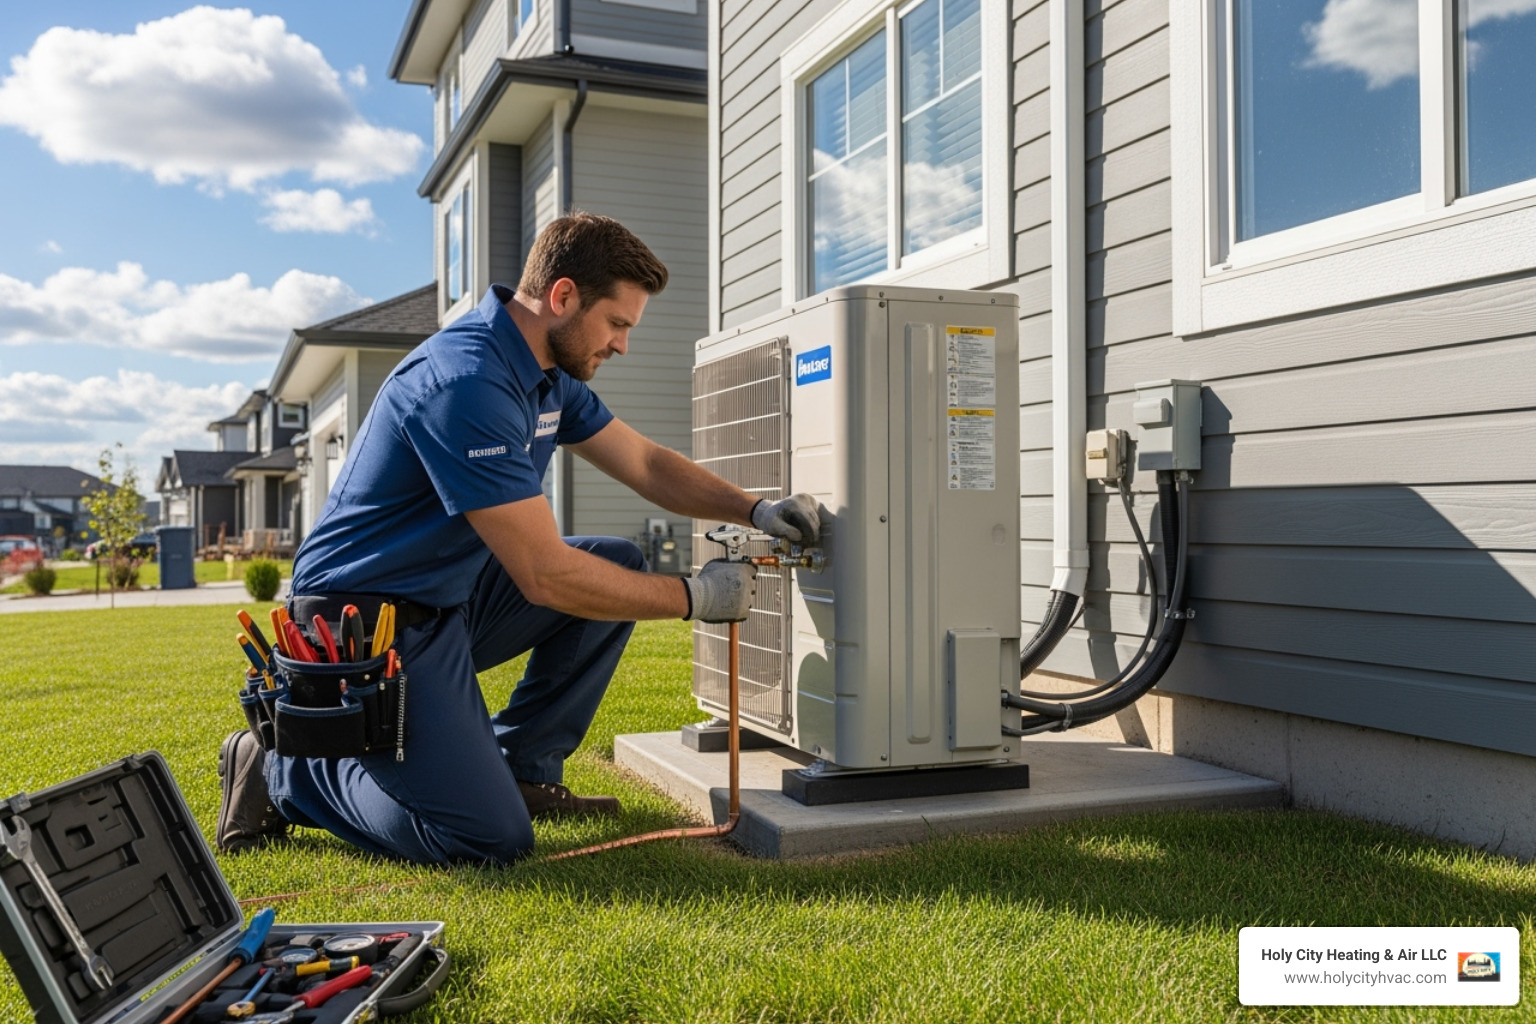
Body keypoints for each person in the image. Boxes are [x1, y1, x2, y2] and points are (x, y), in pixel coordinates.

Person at [216, 212, 819, 864]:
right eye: (617, 323)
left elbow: (642, 462)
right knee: (485, 839)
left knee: (615, 562)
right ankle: (289, 774)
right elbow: (545, 576)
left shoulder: (548, 373)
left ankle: (522, 770)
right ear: (563, 297)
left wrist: (753, 509)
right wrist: (694, 596)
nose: (622, 345)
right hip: (365, 624)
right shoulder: (467, 381)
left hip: (448, 599)